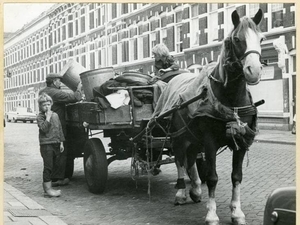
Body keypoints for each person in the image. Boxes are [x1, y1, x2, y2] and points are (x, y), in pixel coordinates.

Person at [39, 73, 83, 186]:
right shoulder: (54, 92)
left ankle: (53, 178)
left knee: (51, 153)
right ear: (54, 81)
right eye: (59, 81)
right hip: (56, 127)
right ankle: (58, 179)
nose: (60, 83)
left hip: (48, 128)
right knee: (61, 151)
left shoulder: (43, 91)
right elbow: (75, 97)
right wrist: (79, 87)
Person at [37, 93, 64, 197]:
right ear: (40, 106)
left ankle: (48, 187)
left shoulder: (55, 115)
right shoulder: (40, 117)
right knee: (48, 166)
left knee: (54, 166)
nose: (47, 106)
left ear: (51, 104)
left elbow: (59, 129)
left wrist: (61, 142)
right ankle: (48, 189)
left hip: (56, 143)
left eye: (48, 104)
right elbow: (44, 128)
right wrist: (47, 117)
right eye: (44, 105)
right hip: (46, 144)